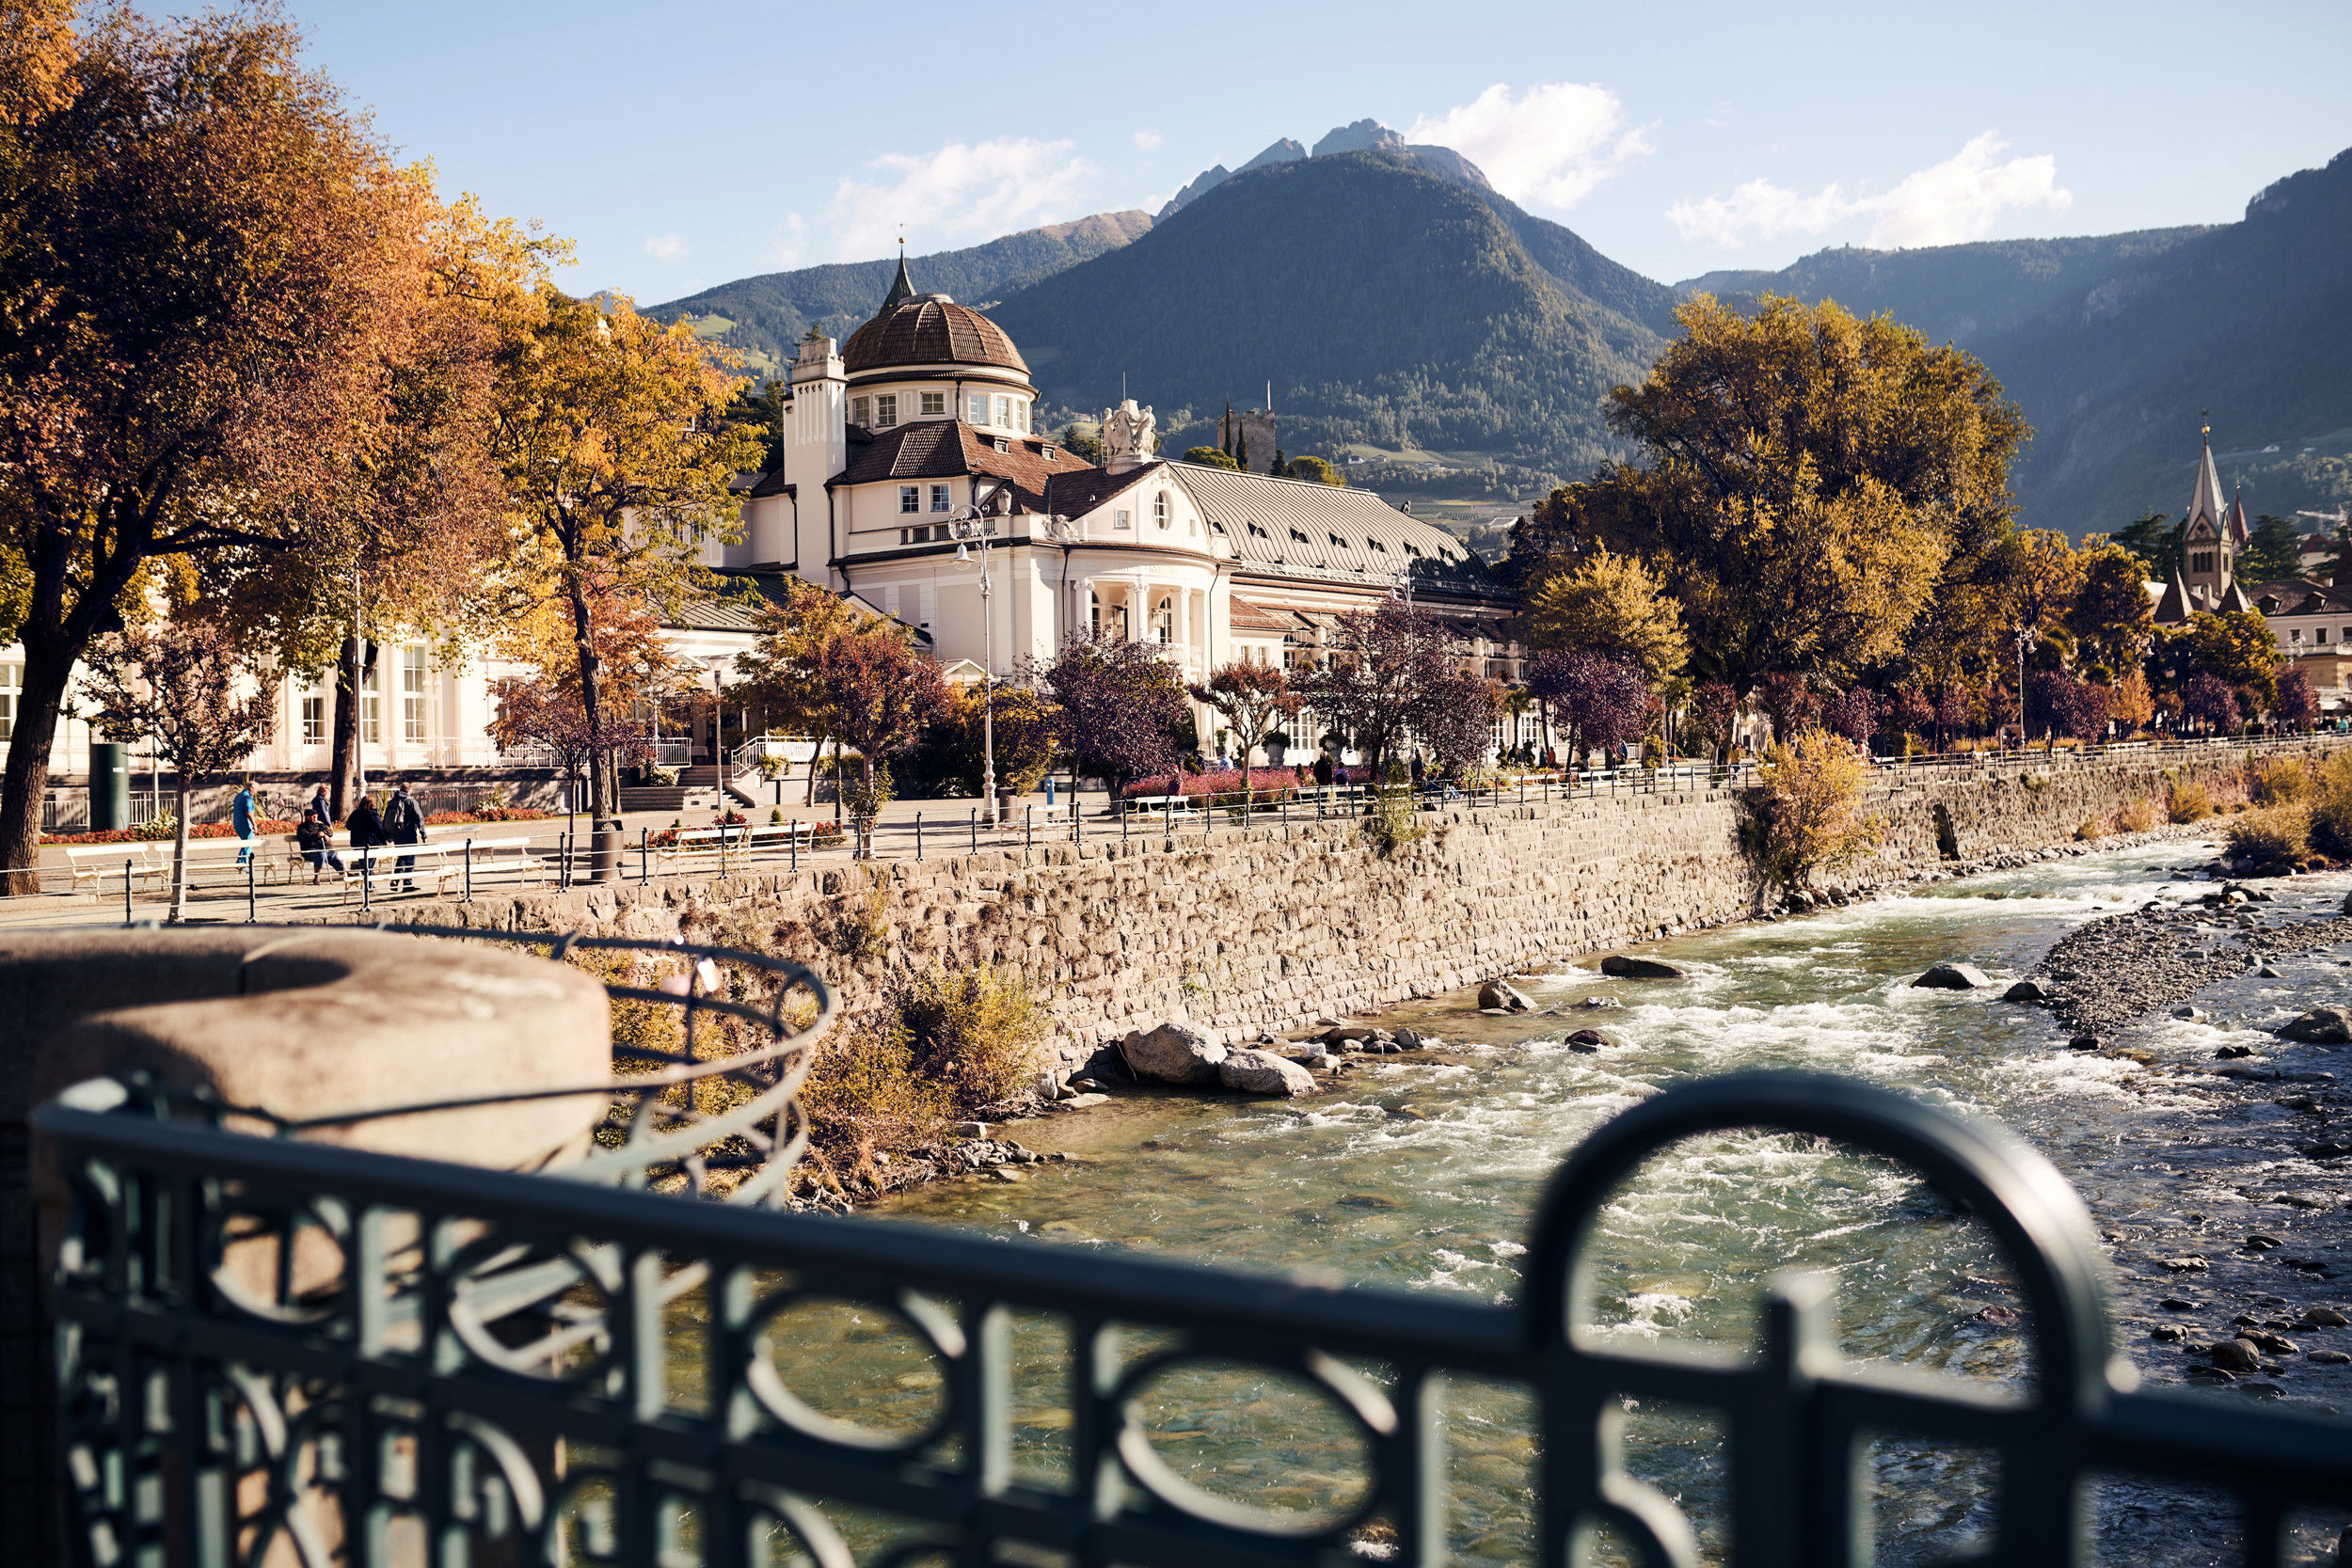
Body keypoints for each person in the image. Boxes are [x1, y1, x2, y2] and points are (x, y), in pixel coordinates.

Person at [383, 783, 426, 892]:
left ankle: (395, 880)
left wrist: (388, 835)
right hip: (409, 834)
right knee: (410, 859)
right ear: (409, 790)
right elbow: (419, 818)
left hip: (396, 834)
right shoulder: (411, 801)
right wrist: (423, 834)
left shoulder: (392, 802)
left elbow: (386, 819)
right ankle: (407, 884)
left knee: (402, 857)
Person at [297, 786, 344, 881]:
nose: (315, 819)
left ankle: (344, 872)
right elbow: (305, 836)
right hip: (309, 850)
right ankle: (316, 876)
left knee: (332, 856)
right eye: (312, 817)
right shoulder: (302, 827)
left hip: (324, 848)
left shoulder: (320, 824)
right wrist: (317, 835)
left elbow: (330, 832)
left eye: (316, 817)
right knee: (321, 854)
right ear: (307, 817)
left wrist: (325, 834)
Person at [346, 790, 388, 887]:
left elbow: (348, 826)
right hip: (371, 842)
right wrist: (385, 839)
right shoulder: (372, 814)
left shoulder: (355, 813)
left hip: (357, 842)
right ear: (371, 804)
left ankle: (368, 884)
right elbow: (379, 828)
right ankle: (368, 885)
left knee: (363, 864)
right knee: (369, 865)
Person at [230, 779, 256, 868]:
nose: (256, 792)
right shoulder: (247, 797)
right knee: (248, 844)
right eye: (255, 789)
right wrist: (254, 825)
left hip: (237, 823)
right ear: (251, 788)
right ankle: (243, 864)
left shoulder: (238, 795)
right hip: (245, 823)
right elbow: (248, 812)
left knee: (245, 843)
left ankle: (239, 862)